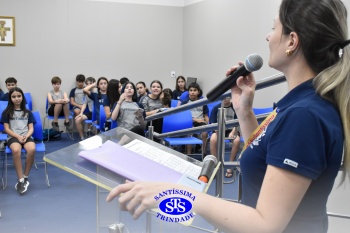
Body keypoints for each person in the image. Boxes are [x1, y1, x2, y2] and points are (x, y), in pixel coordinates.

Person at [106, 0, 350, 232]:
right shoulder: (300, 106)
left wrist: (181, 194)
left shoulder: (303, 116)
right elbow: (266, 153)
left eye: (274, 28)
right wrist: (243, 109)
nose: (268, 36)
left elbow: (265, 224)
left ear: (292, 41)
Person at [1, 87, 36, 195]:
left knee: (32, 149)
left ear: (22, 97)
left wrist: (25, 136)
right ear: (10, 98)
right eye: (14, 97)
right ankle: (20, 179)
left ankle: (25, 177)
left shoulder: (28, 112)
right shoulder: (6, 112)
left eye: (19, 96)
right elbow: (6, 129)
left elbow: (31, 128)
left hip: (26, 136)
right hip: (13, 137)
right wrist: (18, 136)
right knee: (16, 150)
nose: (17, 99)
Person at [209, 97, 240, 178]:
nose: (225, 99)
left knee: (236, 140)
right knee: (213, 139)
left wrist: (233, 132)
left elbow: (237, 123)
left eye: (227, 97)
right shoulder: (216, 108)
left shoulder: (235, 107)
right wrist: (218, 132)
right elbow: (213, 123)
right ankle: (215, 166)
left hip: (231, 130)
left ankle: (230, 166)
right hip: (219, 130)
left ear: (231, 97)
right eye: (223, 97)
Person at [181, 82, 209, 155]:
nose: (192, 92)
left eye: (195, 90)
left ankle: (204, 153)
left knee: (205, 132)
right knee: (189, 132)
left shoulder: (202, 102)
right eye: (191, 90)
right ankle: (189, 153)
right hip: (189, 121)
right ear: (188, 91)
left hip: (201, 122)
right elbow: (182, 116)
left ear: (198, 92)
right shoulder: (185, 102)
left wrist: (208, 123)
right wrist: (195, 119)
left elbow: (205, 115)